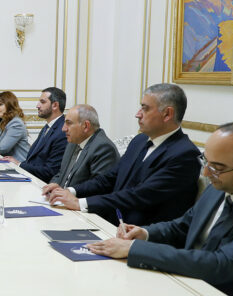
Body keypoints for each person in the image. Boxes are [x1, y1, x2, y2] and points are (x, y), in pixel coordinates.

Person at [87, 123, 233, 296]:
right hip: (188, 290)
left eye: (217, 168)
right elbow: (183, 225)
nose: (206, 173)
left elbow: (220, 264)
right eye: (206, 162)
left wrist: (134, 248)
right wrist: (145, 233)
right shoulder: (221, 184)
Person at [46, 83, 201, 226]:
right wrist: (71, 191)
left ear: (167, 114)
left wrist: (80, 203)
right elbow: (109, 178)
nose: (138, 114)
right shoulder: (140, 140)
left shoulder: (185, 155)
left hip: (142, 235)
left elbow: (139, 195)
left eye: (145, 109)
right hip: (111, 223)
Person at [42, 104, 119, 191]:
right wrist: (52, 186)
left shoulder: (103, 148)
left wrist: (68, 192)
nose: (63, 129)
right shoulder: (73, 142)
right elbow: (61, 174)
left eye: (69, 123)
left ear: (86, 126)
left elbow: (98, 188)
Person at [2, 87, 67, 183]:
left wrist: (19, 164)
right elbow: (32, 160)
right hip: (31, 178)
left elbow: (50, 171)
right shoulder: (48, 126)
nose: (37, 106)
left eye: (42, 102)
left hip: (41, 185)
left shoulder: (62, 131)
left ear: (55, 105)